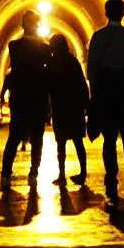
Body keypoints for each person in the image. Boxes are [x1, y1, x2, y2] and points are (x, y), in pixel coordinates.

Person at [86, 0, 124, 204]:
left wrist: (94, 94)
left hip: (105, 91)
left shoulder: (97, 37)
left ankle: (111, 181)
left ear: (106, 13)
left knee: (109, 138)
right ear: (123, 13)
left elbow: (91, 69)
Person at [0, 11, 51, 191]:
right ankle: (33, 174)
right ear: (37, 26)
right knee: (37, 139)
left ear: (22, 25)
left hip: (20, 98)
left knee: (14, 137)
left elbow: (17, 69)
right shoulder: (44, 48)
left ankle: (6, 175)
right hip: (38, 97)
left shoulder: (14, 46)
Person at [46, 32, 90, 185]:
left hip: (60, 107)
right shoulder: (72, 61)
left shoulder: (51, 63)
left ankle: (62, 175)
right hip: (74, 106)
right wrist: (86, 104)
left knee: (61, 143)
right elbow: (81, 83)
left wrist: (47, 107)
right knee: (78, 142)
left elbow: (48, 86)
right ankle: (83, 172)